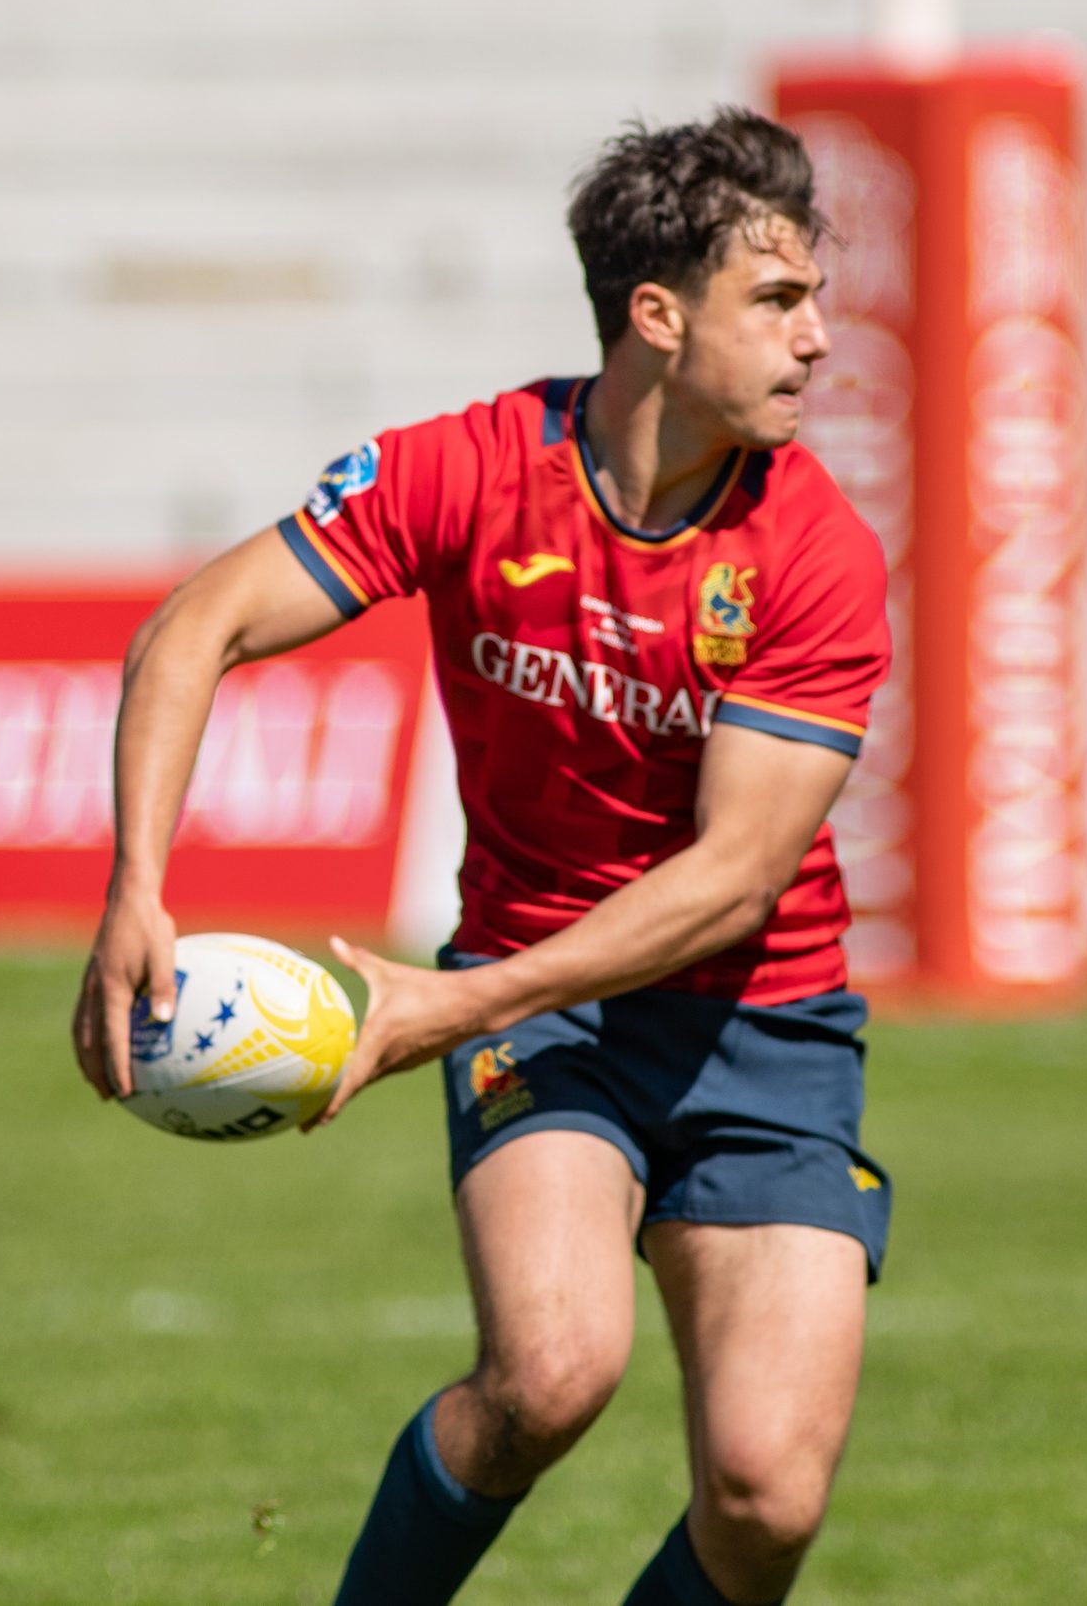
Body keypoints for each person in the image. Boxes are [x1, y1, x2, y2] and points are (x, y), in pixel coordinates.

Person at [68, 108, 892, 1606]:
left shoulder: (817, 548)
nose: (819, 339)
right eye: (778, 301)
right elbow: (196, 625)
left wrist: (448, 1008)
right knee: (550, 1373)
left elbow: (733, 882)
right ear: (658, 314)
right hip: (550, 1010)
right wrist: (137, 885)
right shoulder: (472, 467)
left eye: (814, 299)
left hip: (759, 1020)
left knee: (767, 1495)